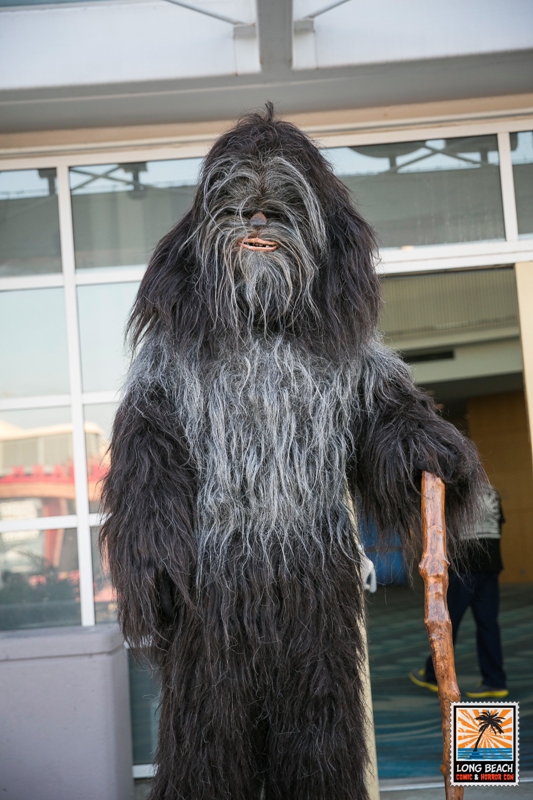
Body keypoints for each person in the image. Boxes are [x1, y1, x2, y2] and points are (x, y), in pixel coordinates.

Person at [410, 484, 508, 698]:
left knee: (447, 623)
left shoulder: (458, 491)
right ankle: (495, 681)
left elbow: (443, 528)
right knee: (489, 625)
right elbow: (498, 525)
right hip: (490, 566)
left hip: (465, 568)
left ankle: (434, 676)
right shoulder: (492, 491)